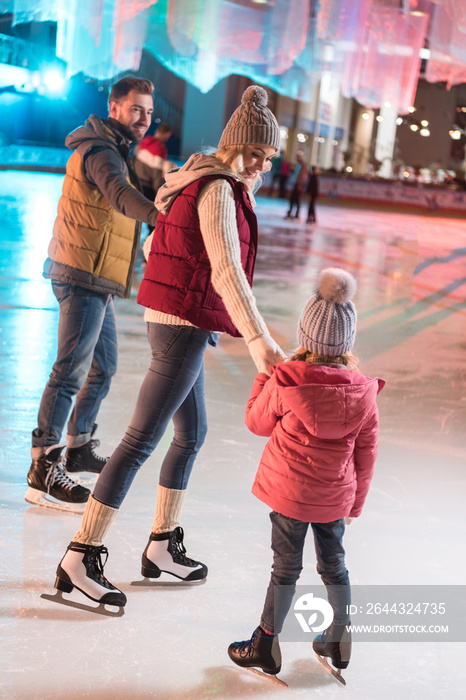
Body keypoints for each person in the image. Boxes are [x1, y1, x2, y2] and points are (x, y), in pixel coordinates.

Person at [53, 85, 286, 609]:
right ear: (237, 147)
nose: (262, 168)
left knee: (192, 434)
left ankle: (161, 544)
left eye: (268, 159)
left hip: (181, 321)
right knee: (139, 441)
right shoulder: (218, 189)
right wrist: (260, 342)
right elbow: (227, 270)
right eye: (258, 155)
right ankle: (80, 554)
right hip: (180, 326)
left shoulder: (195, 179)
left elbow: (165, 244)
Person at [228, 268, 384, 682]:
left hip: (290, 495)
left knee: (285, 568)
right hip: (334, 497)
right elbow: (366, 454)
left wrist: (265, 374)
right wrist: (356, 503)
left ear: (306, 337)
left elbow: (255, 423)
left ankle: (265, 643)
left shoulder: (286, 381)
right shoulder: (361, 393)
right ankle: (338, 636)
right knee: (335, 566)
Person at [26, 76, 161, 513]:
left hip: (96, 275)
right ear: (115, 107)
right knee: (70, 372)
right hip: (82, 273)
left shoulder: (118, 147)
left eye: (149, 112)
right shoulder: (101, 150)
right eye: (136, 109)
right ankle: (43, 468)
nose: (143, 118)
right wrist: (162, 217)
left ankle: (79, 446)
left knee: (104, 367)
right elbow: (120, 196)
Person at [133, 122, 172, 206]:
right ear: (168, 134)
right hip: (147, 191)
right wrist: (159, 197)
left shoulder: (143, 142)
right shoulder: (160, 149)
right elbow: (157, 176)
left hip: (134, 185)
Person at [285, 152, 308, 220]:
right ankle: (291, 212)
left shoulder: (303, 165)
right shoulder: (298, 164)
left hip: (299, 184)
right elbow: (296, 174)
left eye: (297, 157)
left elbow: (304, 175)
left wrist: (301, 184)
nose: (296, 158)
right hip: (296, 183)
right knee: (293, 199)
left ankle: (296, 214)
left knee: (296, 199)